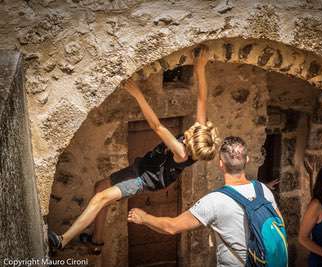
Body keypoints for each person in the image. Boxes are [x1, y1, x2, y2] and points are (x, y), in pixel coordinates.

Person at [48, 48, 220, 254]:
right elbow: (202, 99)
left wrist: (137, 94)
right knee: (99, 187)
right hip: (142, 167)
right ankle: (97, 241)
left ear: (190, 144)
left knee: (101, 197)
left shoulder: (181, 152)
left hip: (142, 180)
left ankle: (62, 240)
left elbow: (157, 126)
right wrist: (200, 67)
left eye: (191, 133)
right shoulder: (199, 137)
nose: (191, 129)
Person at [128, 136, 284, 266]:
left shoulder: (215, 201)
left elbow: (172, 227)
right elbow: (280, 224)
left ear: (221, 164)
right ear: (247, 160)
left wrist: (143, 217)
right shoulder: (263, 190)